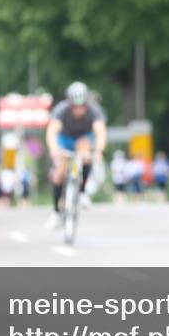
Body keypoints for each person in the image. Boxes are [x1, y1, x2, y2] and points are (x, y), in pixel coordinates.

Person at [45, 81, 107, 227]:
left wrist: (98, 151)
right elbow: (52, 131)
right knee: (60, 171)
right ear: (70, 104)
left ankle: (82, 192)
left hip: (83, 138)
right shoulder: (61, 110)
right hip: (65, 138)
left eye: (82, 106)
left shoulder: (94, 111)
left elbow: (100, 132)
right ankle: (55, 211)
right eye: (75, 106)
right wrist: (54, 149)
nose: (79, 110)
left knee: (85, 153)